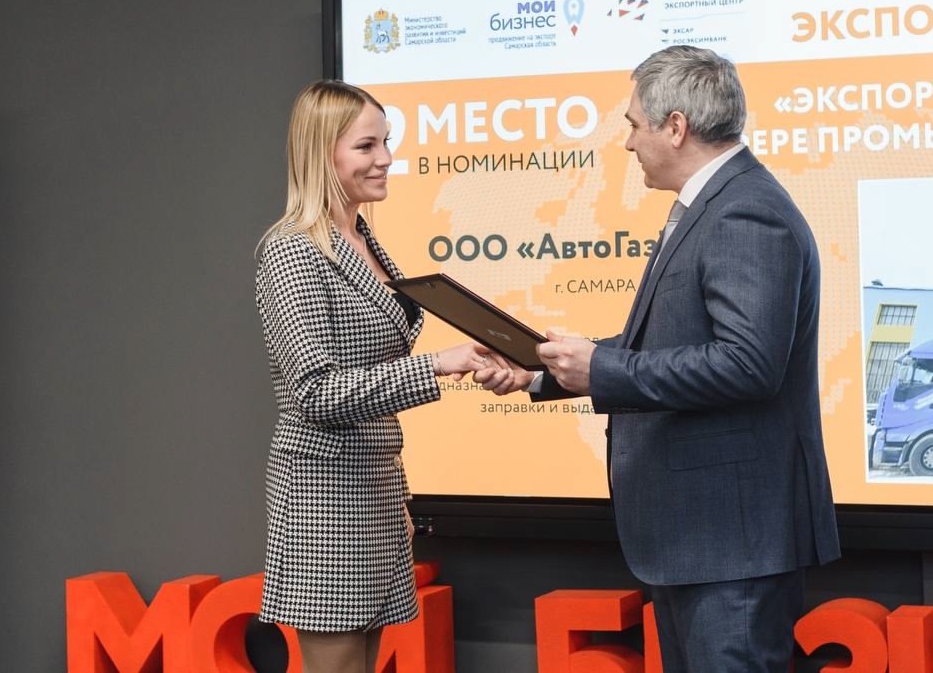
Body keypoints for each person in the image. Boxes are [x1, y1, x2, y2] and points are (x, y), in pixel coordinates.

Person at [477, 46, 841, 671]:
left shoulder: (745, 210)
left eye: (633, 124)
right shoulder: (716, 202)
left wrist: (601, 370)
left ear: (676, 127)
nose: (627, 143)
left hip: (730, 543)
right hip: (704, 541)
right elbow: (669, 345)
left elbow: (748, 364)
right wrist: (542, 371)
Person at [255, 79, 492, 673]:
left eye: (386, 142)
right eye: (366, 146)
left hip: (376, 492)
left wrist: (397, 498)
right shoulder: (292, 251)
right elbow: (314, 392)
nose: (385, 158)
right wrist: (436, 364)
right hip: (324, 501)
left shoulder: (362, 239)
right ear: (321, 153)